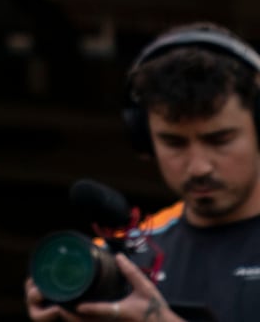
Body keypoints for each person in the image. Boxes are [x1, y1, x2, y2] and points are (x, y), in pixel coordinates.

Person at [26, 23, 260, 322]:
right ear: (144, 139)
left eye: (220, 139)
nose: (199, 166)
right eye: (174, 142)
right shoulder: (121, 262)